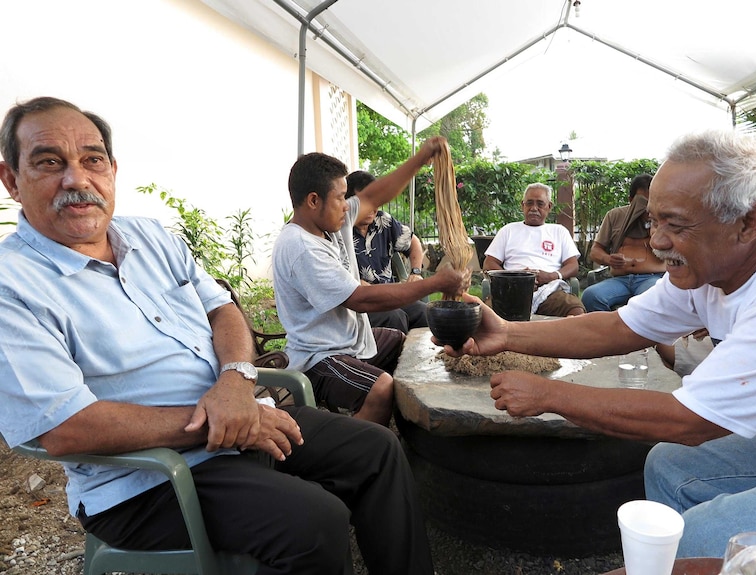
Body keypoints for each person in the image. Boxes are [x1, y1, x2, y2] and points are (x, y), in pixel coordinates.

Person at [0, 97, 435, 574]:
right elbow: (65, 428)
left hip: (237, 421)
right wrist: (219, 421)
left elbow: (222, 308)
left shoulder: (149, 236)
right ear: (12, 181)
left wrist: (235, 380)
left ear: (112, 169)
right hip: (144, 480)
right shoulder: (12, 285)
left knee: (377, 450)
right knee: (314, 521)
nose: (77, 179)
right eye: (49, 162)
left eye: (92, 159)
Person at [440, 129, 756, 558]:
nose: (657, 242)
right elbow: (620, 327)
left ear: (748, 222)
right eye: (653, 221)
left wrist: (551, 395)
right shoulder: (715, 264)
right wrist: (507, 334)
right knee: (669, 463)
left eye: (675, 224)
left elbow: (690, 421)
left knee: (697, 537)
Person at [272, 143, 469, 426]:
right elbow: (361, 299)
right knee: (381, 388)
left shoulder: (332, 221)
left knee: (404, 345)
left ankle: (395, 427)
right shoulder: (301, 247)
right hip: (319, 357)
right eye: (341, 197)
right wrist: (435, 282)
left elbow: (375, 194)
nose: (347, 204)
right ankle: (357, 448)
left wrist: (422, 157)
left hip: (352, 341)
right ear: (313, 200)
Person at [482, 182, 585, 317]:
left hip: (549, 290)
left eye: (540, 204)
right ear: (522, 205)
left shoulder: (559, 231)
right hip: (511, 290)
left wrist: (550, 276)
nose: (534, 208)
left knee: (576, 310)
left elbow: (573, 265)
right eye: (529, 203)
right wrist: (515, 278)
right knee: (484, 315)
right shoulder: (509, 230)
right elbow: (489, 264)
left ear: (549, 206)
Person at [346, 170, 428, 334]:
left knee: (425, 313)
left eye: (376, 199)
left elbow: (414, 242)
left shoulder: (384, 221)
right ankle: (396, 360)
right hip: (360, 303)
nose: (373, 207)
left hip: (389, 296)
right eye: (366, 201)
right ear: (350, 203)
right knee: (395, 317)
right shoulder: (341, 229)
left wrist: (416, 272)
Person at [581, 174, 666, 312]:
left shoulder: (663, 218)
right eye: (642, 202)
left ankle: (640, 333)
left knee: (648, 297)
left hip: (652, 278)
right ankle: (607, 332)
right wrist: (607, 259)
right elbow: (595, 251)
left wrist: (653, 224)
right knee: (591, 296)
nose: (646, 206)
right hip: (621, 279)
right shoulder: (615, 216)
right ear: (631, 200)